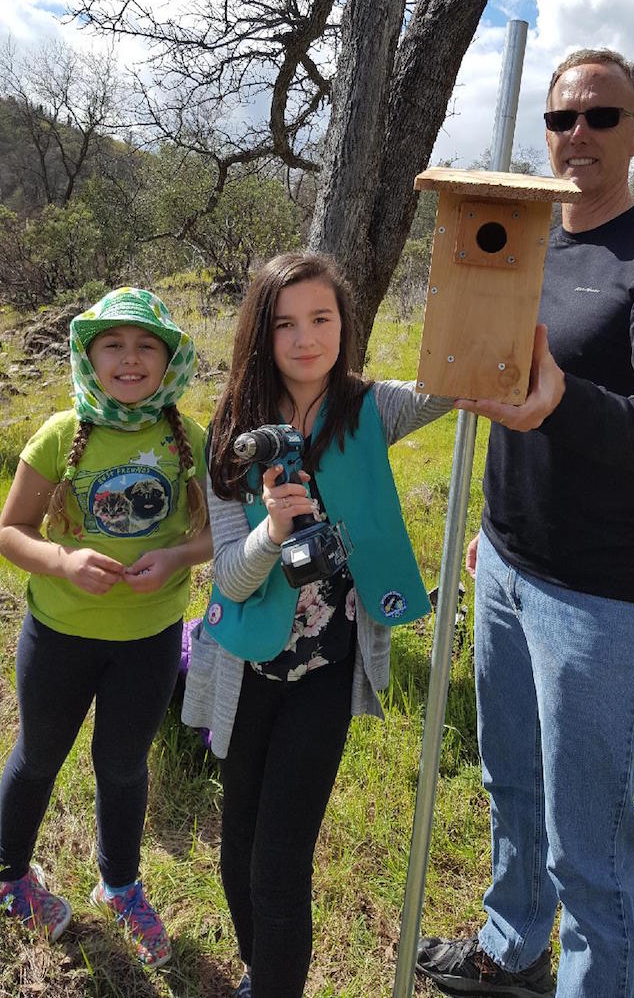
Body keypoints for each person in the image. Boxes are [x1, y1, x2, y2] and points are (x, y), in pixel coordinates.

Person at [416, 48, 634, 997]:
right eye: (561, 119)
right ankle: (514, 949)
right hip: (505, 564)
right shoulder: (529, 236)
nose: (577, 135)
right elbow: (491, 373)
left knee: (590, 842)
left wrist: (561, 403)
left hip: (602, 599)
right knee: (512, 790)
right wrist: (492, 531)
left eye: (601, 118)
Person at [182, 250, 471, 998]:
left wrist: (490, 290)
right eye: (285, 324)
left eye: (322, 319)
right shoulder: (234, 430)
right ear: (260, 335)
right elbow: (230, 575)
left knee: (279, 859)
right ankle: (261, 974)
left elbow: (456, 379)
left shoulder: (371, 409)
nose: (306, 339)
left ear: (346, 323)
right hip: (248, 667)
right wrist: (271, 533)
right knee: (236, 846)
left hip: (324, 674)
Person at [0, 287, 212, 968]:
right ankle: (9, 879)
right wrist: (61, 561)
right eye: (113, 345)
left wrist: (176, 556)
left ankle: (119, 883)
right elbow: (11, 531)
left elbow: (214, 535)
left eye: (146, 345)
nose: (130, 358)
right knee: (38, 756)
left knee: (123, 767)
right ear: (88, 358)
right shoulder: (60, 435)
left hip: (149, 642)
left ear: (169, 360)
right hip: (58, 636)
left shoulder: (190, 441)